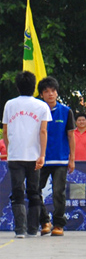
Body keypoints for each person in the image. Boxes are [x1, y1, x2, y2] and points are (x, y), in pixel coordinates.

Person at [2, 71, 51, 237]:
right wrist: (42, 154)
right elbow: (43, 131)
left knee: (17, 192)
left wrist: (10, 149)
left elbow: (6, 130)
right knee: (34, 192)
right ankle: (32, 229)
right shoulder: (42, 106)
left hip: (15, 155)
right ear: (34, 87)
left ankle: (20, 230)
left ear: (17, 86)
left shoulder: (9, 104)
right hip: (34, 155)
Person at [37, 76, 75, 236]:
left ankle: (58, 224)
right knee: (34, 190)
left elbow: (71, 136)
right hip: (40, 158)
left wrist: (72, 158)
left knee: (58, 192)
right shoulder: (37, 111)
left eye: (53, 91)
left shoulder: (66, 111)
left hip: (60, 159)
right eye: (46, 91)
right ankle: (45, 221)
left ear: (57, 93)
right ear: (41, 95)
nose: (50, 94)